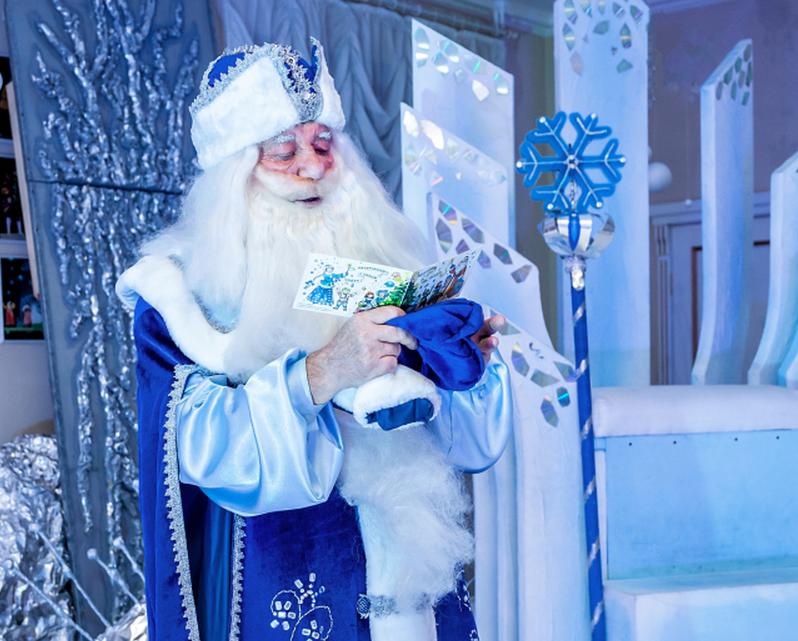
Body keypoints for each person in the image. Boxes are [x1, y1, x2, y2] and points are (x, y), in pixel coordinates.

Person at [117, 38, 512, 641]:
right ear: (231, 173)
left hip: (419, 601)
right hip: (283, 588)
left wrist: (466, 362)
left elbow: (465, 445)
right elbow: (195, 451)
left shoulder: (388, 267)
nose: (312, 167)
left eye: (323, 144)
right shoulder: (183, 297)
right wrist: (321, 373)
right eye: (283, 150)